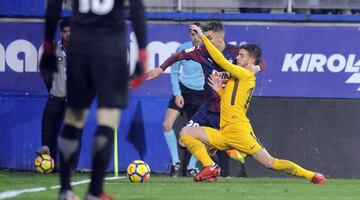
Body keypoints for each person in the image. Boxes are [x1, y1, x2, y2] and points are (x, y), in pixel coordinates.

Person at [179, 24, 327, 184]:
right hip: (225, 130)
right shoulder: (236, 75)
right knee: (185, 133)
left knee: (270, 162)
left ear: (251, 60)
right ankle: (210, 166)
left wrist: (202, 37)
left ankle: (311, 175)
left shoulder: (245, 74)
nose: (237, 57)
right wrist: (220, 91)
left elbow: (220, 59)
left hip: (239, 131)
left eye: (241, 56)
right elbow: (231, 101)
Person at [40, 0, 148, 199]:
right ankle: (95, 192)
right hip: (111, 49)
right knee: (107, 120)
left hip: (80, 48)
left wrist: (48, 45)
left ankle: (65, 190)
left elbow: (54, 4)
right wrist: (143, 52)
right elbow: (137, 7)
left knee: (73, 120)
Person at [147, 21, 248, 175]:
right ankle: (205, 160)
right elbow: (176, 57)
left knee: (230, 145)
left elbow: (259, 60)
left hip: (224, 110)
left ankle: (214, 157)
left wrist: (256, 67)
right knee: (183, 138)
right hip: (206, 106)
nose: (203, 40)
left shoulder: (236, 53)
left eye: (209, 37)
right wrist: (161, 69)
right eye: (203, 37)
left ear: (221, 38)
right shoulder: (200, 51)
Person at [164, 22, 205, 177]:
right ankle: (175, 163)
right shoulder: (182, 48)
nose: (195, 37)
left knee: (201, 132)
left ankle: (192, 166)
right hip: (183, 90)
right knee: (167, 124)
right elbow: (174, 72)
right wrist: (177, 93)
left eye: (197, 33)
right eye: (191, 33)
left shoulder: (210, 49)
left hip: (202, 94)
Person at [36, 18, 72, 168]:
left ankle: (68, 165)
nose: (68, 34)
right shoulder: (53, 51)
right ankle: (47, 152)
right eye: (65, 31)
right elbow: (45, 72)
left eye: (71, 31)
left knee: (71, 132)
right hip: (56, 96)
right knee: (47, 121)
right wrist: (52, 88)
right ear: (60, 33)